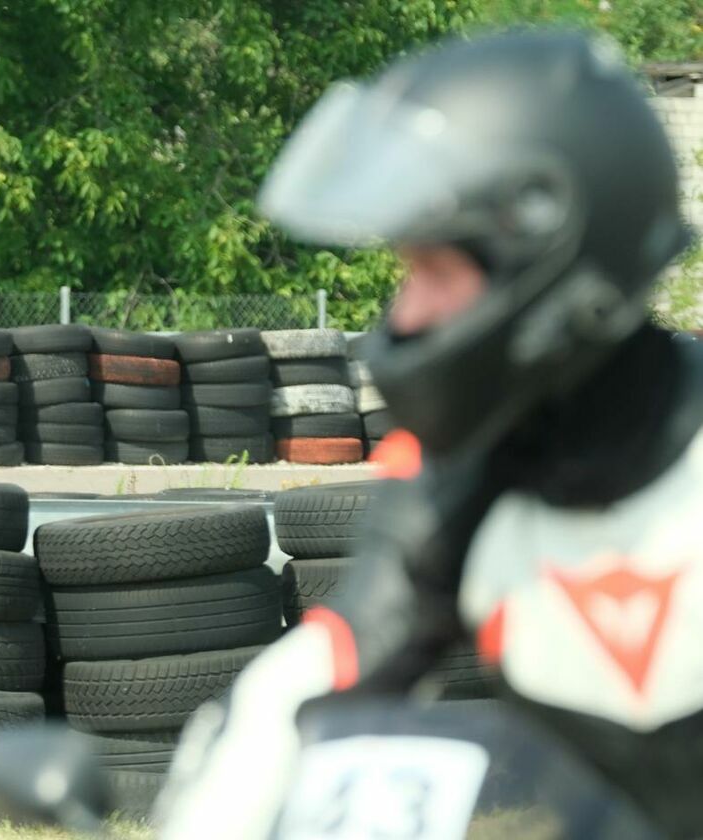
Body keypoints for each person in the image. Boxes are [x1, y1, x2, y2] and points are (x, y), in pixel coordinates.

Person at [156, 29, 702, 839]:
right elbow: (353, 641)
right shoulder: (460, 474)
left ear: (557, 262)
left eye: (436, 273)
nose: (404, 313)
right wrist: (220, 794)